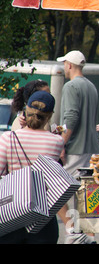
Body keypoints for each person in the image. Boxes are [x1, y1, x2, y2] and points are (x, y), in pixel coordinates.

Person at [0, 91, 64, 244]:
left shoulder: (9, 138)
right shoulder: (56, 141)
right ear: (49, 116)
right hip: (43, 214)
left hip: (12, 210)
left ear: (25, 111)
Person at [56, 50, 99, 244]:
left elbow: (70, 118)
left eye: (64, 64)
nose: (64, 67)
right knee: (86, 193)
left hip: (76, 148)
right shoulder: (91, 87)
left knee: (53, 190)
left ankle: (71, 229)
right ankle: (88, 235)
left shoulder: (71, 86)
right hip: (92, 147)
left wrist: (61, 142)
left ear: (70, 65)